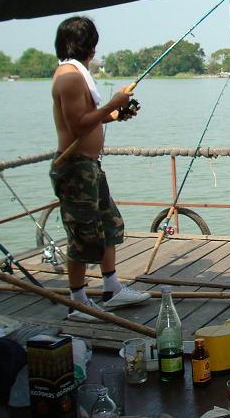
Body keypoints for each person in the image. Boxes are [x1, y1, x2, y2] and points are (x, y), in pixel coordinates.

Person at [49, 16, 149, 322]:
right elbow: (77, 124)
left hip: (90, 166)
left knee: (108, 225)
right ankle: (77, 302)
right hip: (75, 168)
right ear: (89, 46)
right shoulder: (69, 77)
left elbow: (89, 117)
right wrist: (112, 103)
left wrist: (115, 114)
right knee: (81, 235)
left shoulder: (79, 76)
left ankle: (112, 288)